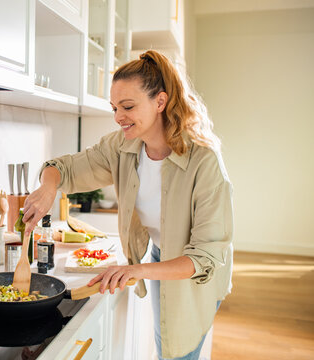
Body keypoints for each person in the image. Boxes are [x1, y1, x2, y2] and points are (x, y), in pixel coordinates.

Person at [21, 50, 233, 359]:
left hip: (193, 271)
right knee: (166, 345)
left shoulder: (204, 161)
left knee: (179, 350)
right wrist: (48, 187)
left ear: (160, 102)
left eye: (128, 106)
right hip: (161, 256)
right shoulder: (122, 145)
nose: (119, 116)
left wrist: (136, 269)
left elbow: (204, 258)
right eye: (115, 107)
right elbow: (63, 167)